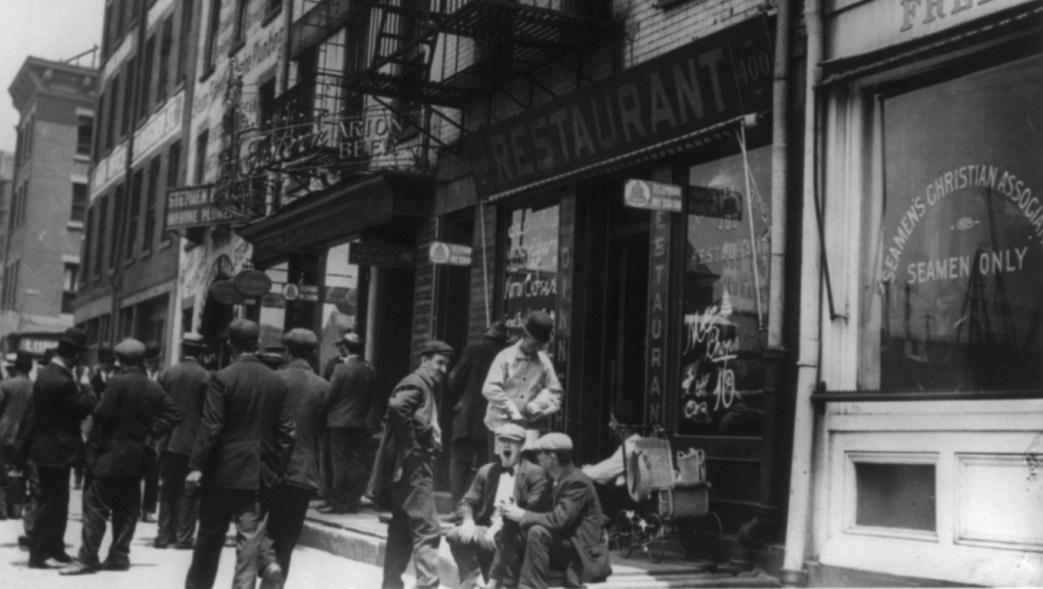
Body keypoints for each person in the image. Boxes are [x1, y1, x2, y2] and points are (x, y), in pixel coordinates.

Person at [184, 319, 296, 589]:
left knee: (209, 538)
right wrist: (275, 470)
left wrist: (197, 466)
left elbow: (211, 427)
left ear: (229, 344)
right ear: (257, 344)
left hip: (221, 474)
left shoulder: (222, 378)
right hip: (258, 475)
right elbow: (287, 433)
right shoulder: (277, 382)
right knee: (249, 544)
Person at [60, 339, 183, 575]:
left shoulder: (117, 383)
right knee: (127, 508)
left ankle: (88, 557)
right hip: (137, 457)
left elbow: (101, 413)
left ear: (120, 360)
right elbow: (174, 413)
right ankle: (119, 555)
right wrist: (151, 432)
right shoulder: (152, 386)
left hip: (110, 455)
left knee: (95, 505)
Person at [368, 340, 455, 589]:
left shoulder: (423, 384)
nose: (443, 369)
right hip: (414, 467)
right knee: (428, 527)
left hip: (409, 466)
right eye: (439, 363)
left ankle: (391, 585)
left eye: (447, 365)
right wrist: (412, 444)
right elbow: (398, 406)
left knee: (402, 529)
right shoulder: (417, 383)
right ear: (424, 361)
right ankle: (427, 585)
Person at [19, 327, 94, 568]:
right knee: (51, 501)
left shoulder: (49, 374)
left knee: (59, 500)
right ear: (76, 355)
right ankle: (38, 553)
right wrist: (86, 383)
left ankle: (55, 548)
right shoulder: (62, 380)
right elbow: (85, 406)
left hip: (50, 448)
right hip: (56, 450)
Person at [259, 328, 329, 580]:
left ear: (287, 352)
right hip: (304, 470)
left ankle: (267, 564)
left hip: (270, 466)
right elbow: (321, 429)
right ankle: (276, 576)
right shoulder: (324, 387)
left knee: (258, 526)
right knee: (288, 535)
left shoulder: (273, 379)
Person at [446, 423, 550, 589]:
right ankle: (474, 582)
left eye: (512, 441)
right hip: (487, 531)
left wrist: (502, 524)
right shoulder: (486, 471)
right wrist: (468, 521)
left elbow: (532, 510)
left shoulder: (534, 473)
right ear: (497, 446)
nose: (506, 445)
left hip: (515, 537)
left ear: (522, 446)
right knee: (454, 535)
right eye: (502, 441)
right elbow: (468, 501)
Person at [502, 432, 611, 589]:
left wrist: (523, 515)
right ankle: (506, 584)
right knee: (513, 528)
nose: (537, 458)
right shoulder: (553, 480)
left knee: (537, 532)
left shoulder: (577, 481)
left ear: (552, 458)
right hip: (563, 542)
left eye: (540, 454)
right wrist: (511, 511)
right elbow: (536, 509)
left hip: (580, 550)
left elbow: (560, 520)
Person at [155, 333, 210, 549]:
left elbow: (159, 409)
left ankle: (163, 535)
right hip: (194, 443)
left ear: (182, 350)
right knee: (189, 490)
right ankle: (183, 536)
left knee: (168, 488)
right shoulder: (206, 377)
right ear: (200, 352)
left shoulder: (166, 374)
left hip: (169, 441)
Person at [448, 321, 509, 504]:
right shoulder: (506, 356)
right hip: (494, 419)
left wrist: (463, 397)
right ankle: (481, 508)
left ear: (486, 336)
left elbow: (454, 378)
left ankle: (459, 507)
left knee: (460, 464)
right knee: (488, 465)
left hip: (467, 418)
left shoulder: (473, 351)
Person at [483, 311, 563, 439]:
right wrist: (510, 408)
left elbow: (556, 393)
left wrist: (537, 406)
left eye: (540, 345)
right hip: (501, 426)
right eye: (534, 344)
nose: (537, 348)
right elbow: (489, 388)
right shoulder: (505, 357)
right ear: (525, 336)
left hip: (531, 430)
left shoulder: (544, 361)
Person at [322, 332, 378, 514]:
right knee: (356, 463)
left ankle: (337, 503)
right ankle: (353, 502)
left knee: (338, 463)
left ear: (345, 348)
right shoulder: (369, 370)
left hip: (338, 422)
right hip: (359, 422)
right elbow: (371, 398)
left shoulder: (341, 369)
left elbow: (330, 396)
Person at [580, 400, 644, 520]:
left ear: (623, 426)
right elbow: (610, 465)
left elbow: (603, 473)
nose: (610, 425)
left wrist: (580, 472)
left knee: (584, 483)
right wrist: (590, 468)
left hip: (625, 501)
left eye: (613, 421)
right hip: (633, 497)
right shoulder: (639, 441)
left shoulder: (629, 448)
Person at [0, 351, 34, 518]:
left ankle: (3, 509)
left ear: (16, 366)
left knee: (4, 470)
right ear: (31, 367)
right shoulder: (35, 387)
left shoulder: (6, 385)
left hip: (6, 433)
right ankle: (16, 509)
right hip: (28, 435)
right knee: (21, 471)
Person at [140, 340, 163, 523]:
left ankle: (148, 508)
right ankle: (132, 507)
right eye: (149, 361)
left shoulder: (163, 376)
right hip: (139, 428)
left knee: (153, 472)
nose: (151, 365)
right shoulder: (139, 376)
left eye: (154, 361)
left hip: (155, 430)